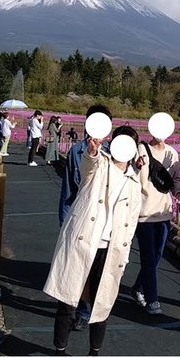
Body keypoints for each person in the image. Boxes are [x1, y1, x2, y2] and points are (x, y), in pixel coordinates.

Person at [43, 125, 142, 356]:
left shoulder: (134, 181)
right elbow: (87, 167)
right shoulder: (100, 165)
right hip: (83, 242)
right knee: (67, 300)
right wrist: (92, 151)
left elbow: (132, 224)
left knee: (101, 305)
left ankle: (94, 353)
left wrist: (124, 258)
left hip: (110, 250)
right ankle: (60, 351)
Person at [58, 104, 112, 331]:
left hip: (102, 223)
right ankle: (78, 309)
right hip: (79, 219)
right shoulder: (75, 152)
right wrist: (63, 223)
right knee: (78, 269)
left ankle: (88, 311)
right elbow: (68, 191)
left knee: (94, 272)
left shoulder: (114, 153)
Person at [131, 131, 180, 315]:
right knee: (148, 257)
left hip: (164, 212)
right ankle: (152, 300)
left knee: (156, 257)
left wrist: (179, 194)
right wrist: (137, 166)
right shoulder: (140, 149)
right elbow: (131, 175)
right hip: (144, 213)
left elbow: (176, 180)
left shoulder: (172, 153)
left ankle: (138, 288)